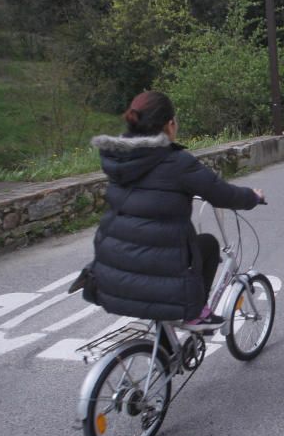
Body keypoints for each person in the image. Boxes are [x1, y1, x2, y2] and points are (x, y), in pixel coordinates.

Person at [80, 91, 264, 331]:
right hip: (157, 272)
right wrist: (253, 196)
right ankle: (196, 313)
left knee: (157, 254)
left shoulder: (118, 159)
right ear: (169, 125)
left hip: (111, 274)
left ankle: (165, 349)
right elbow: (222, 194)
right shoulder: (177, 163)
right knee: (207, 244)